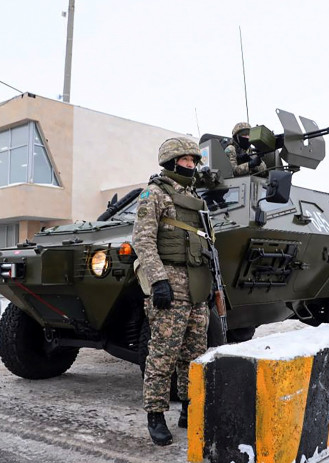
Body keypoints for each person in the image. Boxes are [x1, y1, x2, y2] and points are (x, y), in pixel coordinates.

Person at [132, 137, 213, 446]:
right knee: (163, 354)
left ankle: (189, 408)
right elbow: (143, 240)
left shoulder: (197, 199)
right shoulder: (154, 194)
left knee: (194, 355)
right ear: (170, 162)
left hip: (197, 285)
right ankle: (155, 414)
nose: (191, 166)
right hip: (170, 283)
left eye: (194, 161)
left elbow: (207, 243)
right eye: (186, 161)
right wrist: (158, 280)